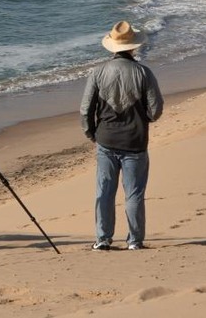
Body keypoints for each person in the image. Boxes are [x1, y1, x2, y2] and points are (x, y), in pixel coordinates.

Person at [80, 21, 163, 251]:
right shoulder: (143, 72)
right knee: (134, 193)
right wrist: (143, 118)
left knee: (104, 191)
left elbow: (85, 108)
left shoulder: (98, 72)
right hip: (135, 141)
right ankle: (135, 240)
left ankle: (103, 239)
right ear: (133, 47)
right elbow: (156, 110)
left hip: (106, 140)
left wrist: (91, 132)